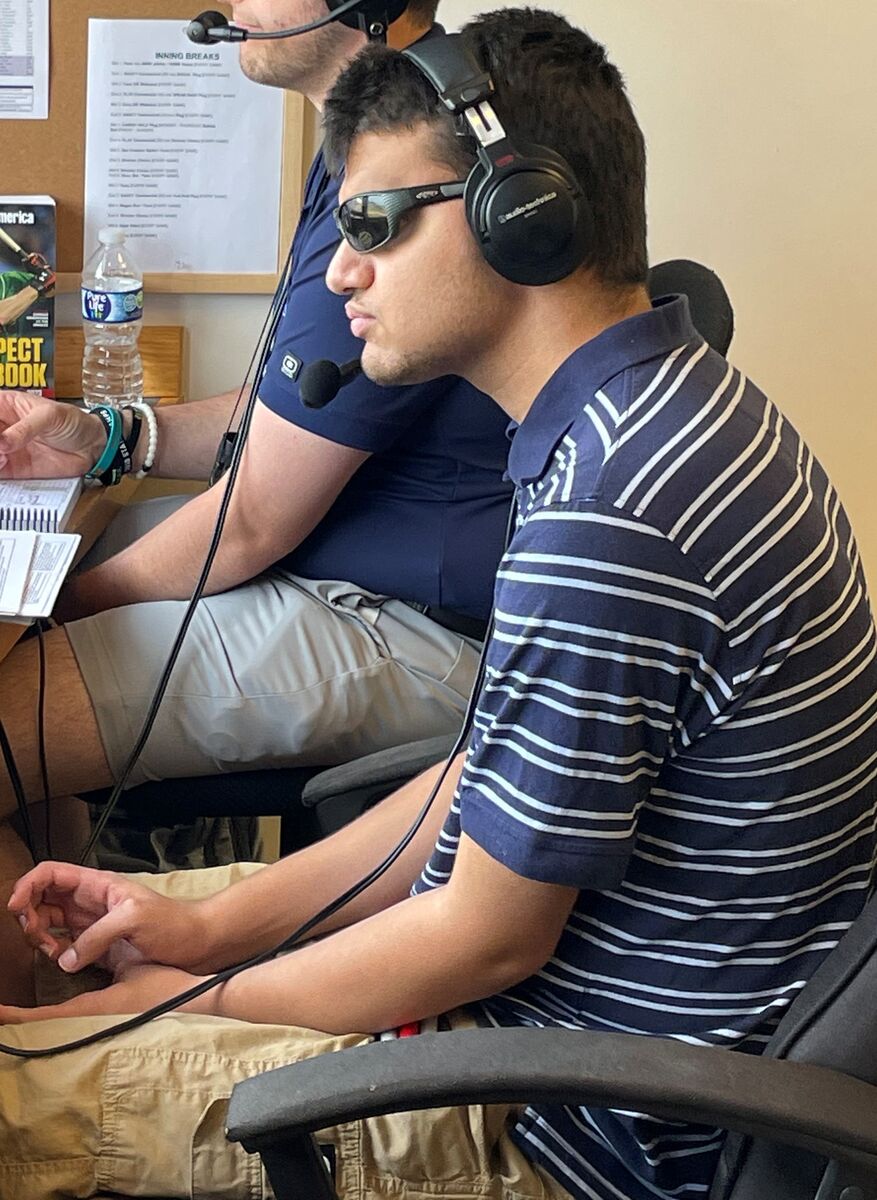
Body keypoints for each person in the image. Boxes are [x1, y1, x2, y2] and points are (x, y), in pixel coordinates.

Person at [2, 9, 876, 1200]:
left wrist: (197, 999)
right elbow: (477, 785)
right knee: (77, 993)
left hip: (554, 1122)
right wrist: (208, 936)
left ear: (524, 216)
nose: (343, 270)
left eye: (372, 223)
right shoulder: (648, 419)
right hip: (539, 1018)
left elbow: (483, 935)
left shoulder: (608, 516)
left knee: (8, 1085)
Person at [0, 0, 511, 839]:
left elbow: (251, 520)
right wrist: (111, 434)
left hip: (413, 625)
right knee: (81, 557)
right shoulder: (370, 130)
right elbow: (296, 406)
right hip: (334, 560)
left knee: (16, 702)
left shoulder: (428, 159)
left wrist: (47, 613)